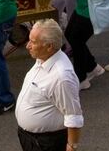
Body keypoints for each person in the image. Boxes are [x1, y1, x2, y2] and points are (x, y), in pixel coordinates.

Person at [15, 19, 83, 151]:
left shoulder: (62, 77)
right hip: (31, 138)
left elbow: (73, 115)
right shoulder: (43, 57)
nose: (27, 46)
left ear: (49, 46)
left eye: (33, 42)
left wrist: (71, 146)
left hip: (46, 143)